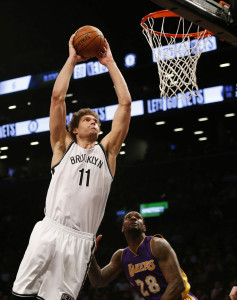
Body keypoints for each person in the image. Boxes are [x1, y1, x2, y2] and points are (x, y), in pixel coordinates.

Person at [11, 33, 131, 300]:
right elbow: (57, 99)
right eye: (87, 120)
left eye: (97, 121)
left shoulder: (107, 151)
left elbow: (125, 104)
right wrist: (72, 60)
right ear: (74, 129)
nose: (94, 123)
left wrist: (110, 62)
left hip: (81, 241)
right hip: (50, 229)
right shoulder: (62, 147)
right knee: (21, 296)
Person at [88, 211, 198, 300]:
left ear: (144, 228)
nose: (133, 218)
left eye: (138, 217)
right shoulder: (120, 256)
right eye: (128, 217)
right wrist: (89, 255)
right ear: (122, 228)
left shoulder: (157, 244)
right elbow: (98, 281)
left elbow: (177, 284)